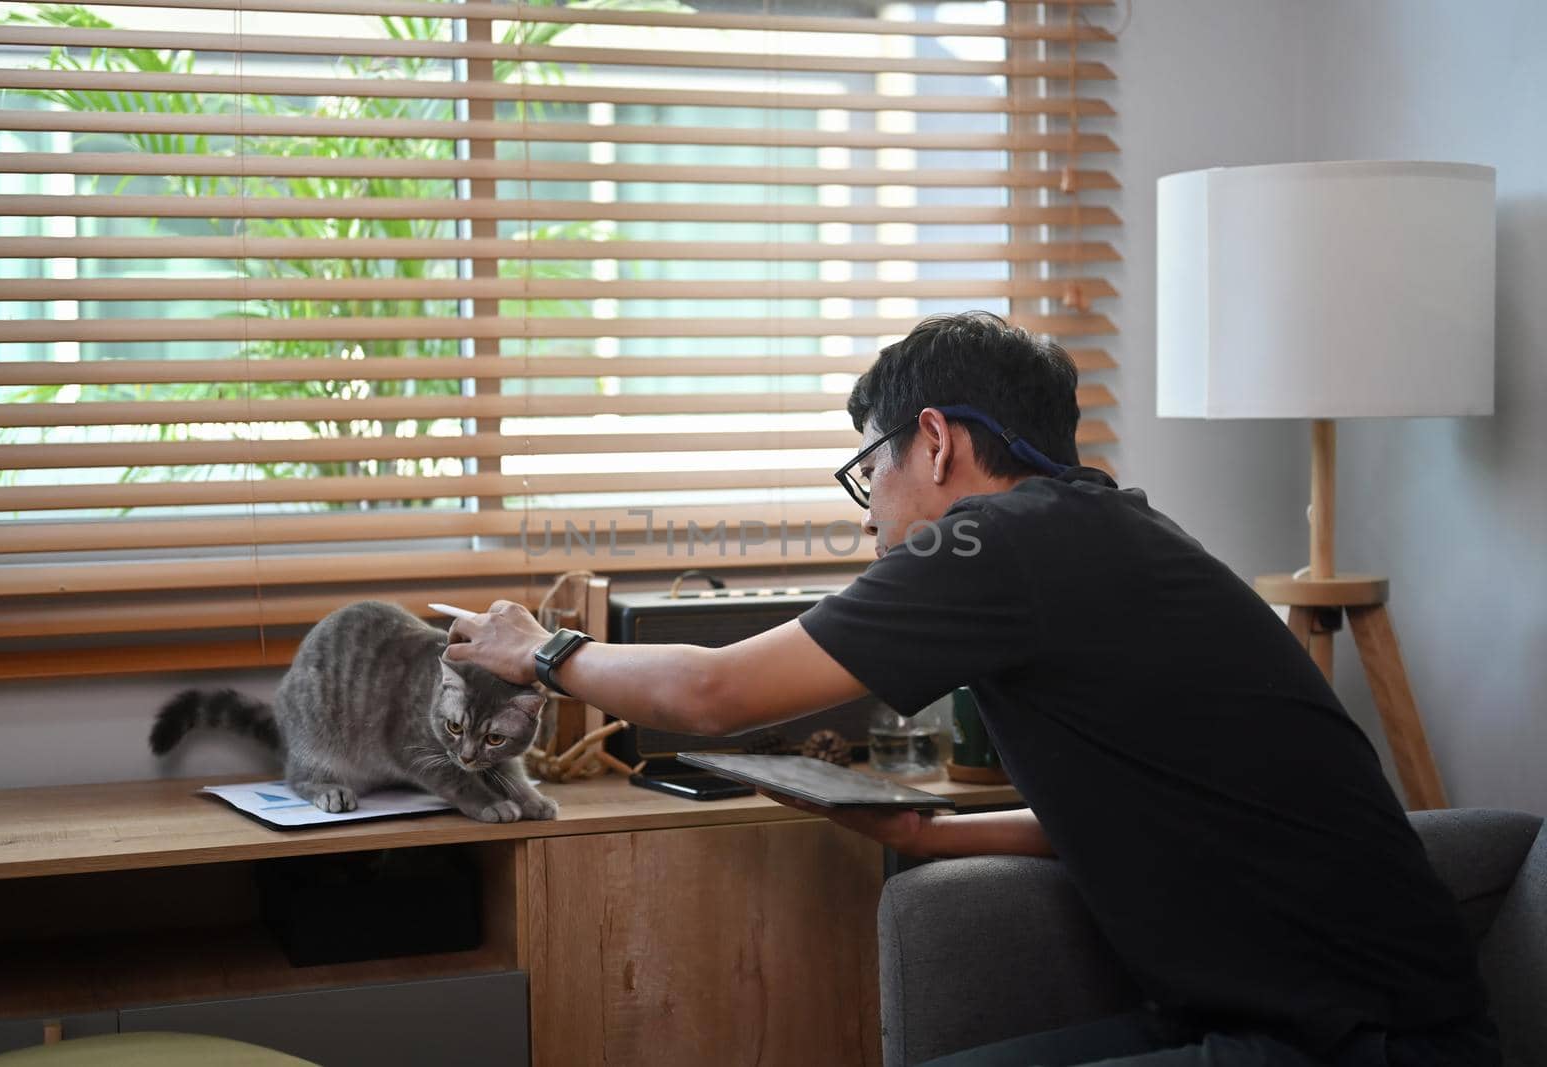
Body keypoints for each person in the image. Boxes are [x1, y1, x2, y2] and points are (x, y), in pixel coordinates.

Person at [444, 311, 1498, 1067]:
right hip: (1317, 1017)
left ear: (936, 440)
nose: (869, 512)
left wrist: (542, 649)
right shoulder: (1107, 529)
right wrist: (932, 838)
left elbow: (716, 690)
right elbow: (1161, 803)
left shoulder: (998, 539)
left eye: (873, 469)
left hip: (1368, 1040)